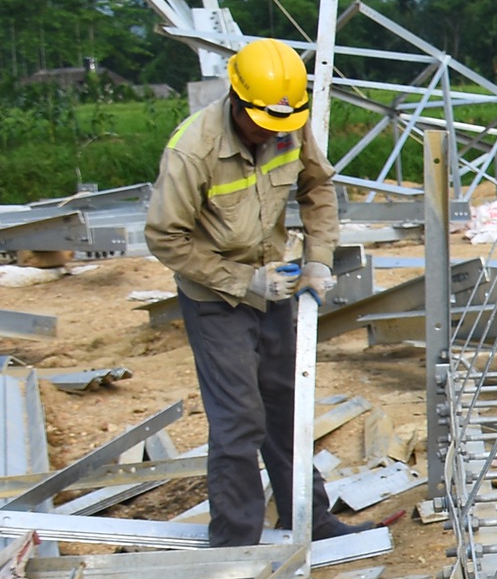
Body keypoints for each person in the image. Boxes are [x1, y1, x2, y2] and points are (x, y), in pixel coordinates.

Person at [144, 38, 368, 547]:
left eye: (283, 122)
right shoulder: (193, 150)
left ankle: (308, 518)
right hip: (216, 297)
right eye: (263, 121)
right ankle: (236, 543)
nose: (273, 131)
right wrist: (243, 280)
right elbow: (165, 237)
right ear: (237, 99)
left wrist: (318, 258)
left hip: (275, 286)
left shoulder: (287, 122)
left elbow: (317, 188)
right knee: (239, 418)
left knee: (287, 405)